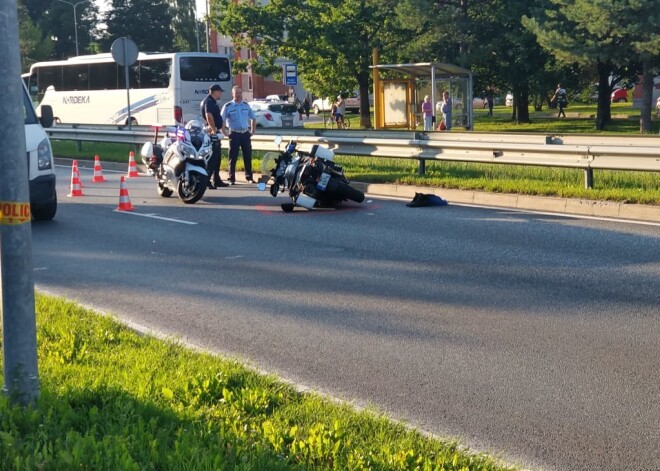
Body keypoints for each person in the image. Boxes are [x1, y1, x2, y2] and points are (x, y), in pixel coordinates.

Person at [221, 86, 256, 184]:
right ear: (232, 94)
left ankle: (249, 177)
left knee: (248, 156)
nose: (238, 95)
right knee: (233, 157)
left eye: (240, 93)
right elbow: (222, 120)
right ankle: (231, 178)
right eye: (236, 93)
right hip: (234, 133)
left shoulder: (245, 105)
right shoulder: (228, 106)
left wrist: (252, 131)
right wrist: (224, 132)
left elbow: (253, 117)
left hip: (245, 133)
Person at [200, 84, 228, 189]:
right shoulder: (209, 101)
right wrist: (213, 130)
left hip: (214, 132)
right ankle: (207, 180)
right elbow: (209, 115)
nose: (220, 93)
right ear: (214, 92)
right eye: (219, 91)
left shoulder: (211, 101)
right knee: (213, 158)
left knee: (217, 158)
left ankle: (217, 179)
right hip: (212, 134)